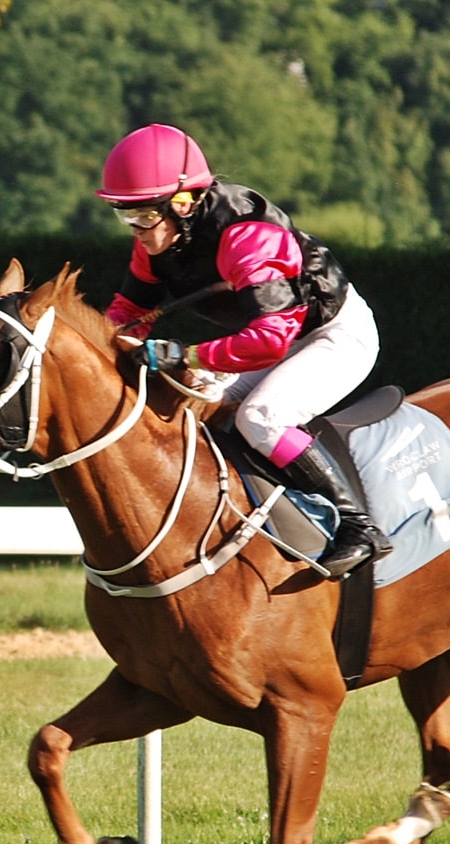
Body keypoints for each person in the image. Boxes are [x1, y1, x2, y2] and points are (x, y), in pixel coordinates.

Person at [97, 123, 391, 577]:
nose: (136, 229)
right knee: (195, 412)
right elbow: (128, 310)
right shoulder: (157, 239)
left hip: (332, 335)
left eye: (144, 215)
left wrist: (187, 357)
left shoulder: (247, 234)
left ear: (183, 202)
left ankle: (359, 525)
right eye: (126, 215)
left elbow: (269, 339)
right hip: (272, 337)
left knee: (261, 418)